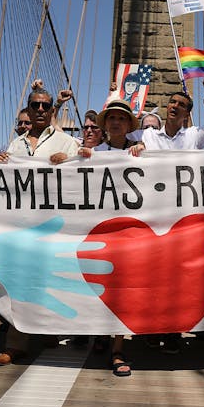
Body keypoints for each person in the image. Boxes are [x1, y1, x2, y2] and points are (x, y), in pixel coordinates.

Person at [129, 76, 204, 354]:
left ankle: (173, 330)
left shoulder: (195, 136)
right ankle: (151, 327)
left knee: (178, 278)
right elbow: (115, 144)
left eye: (181, 104)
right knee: (150, 275)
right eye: (171, 102)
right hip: (152, 216)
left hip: (184, 220)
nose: (174, 106)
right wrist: (134, 150)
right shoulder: (147, 136)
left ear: (187, 112)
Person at [0, 86, 79, 365]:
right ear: (28, 110)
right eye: (35, 105)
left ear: (52, 109)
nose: (40, 110)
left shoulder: (67, 142)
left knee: (50, 279)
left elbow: (83, 174)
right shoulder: (16, 145)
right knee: (18, 281)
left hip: (54, 222)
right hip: (21, 222)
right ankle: (16, 343)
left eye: (45, 106)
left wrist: (69, 162)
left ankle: (48, 329)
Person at [78, 99, 139, 376]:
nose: (116, 122)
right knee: (99, 285)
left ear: (129, 125)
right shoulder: (92, 153)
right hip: (98, 231)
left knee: (123, 290)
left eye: (122, 119)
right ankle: (101, 334)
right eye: (111, 118)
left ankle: (117, 348)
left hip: (128, 233)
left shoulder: (140, 153)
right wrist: (60, 161)